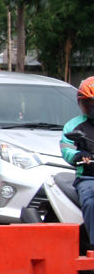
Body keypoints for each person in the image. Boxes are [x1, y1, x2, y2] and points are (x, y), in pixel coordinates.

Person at [62, 77, 94, 241]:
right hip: (88, 177)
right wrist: (78, 155)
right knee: (91, 201)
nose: (92, 107)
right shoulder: (73, 126)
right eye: (88, 103)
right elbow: (66, 149)